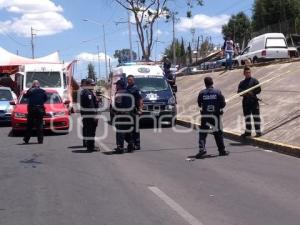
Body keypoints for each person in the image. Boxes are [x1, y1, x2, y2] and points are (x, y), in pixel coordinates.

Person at [196, 77, 229, 158]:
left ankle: (202, 149)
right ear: (212, 83)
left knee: (203, 133)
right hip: (215, 116)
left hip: (205, 116)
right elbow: (223, 104)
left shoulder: (201, 93)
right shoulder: (217, 92)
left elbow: (199, 104)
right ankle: (222, 150)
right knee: (218, 134)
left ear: (205, 83)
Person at [238, 66, 262, 138]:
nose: (248, 74)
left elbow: (259, 90)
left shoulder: (254, 81)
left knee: (256, 117)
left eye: (249, 72)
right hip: (246, 102)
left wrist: (252, 92)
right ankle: (248, 132)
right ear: (244, 74)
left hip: (254, 101)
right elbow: (239, 92)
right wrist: (245, 93)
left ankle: (258, 132)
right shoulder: (242, 83)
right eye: (247, 73)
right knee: (247, 118)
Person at [23, 80, 47, 144]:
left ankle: (26, 139)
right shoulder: (43, 91)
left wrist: (24, 92)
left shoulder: (30, 90)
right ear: (38, 84)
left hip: (32, 109)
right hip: (40, 109)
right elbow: (45, 99)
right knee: (40, 125)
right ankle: (40, 140)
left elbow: (25, 96)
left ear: (33, 84)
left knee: (30, 124)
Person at [113, 79, 134, 154]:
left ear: (120, 85)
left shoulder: (119, 93)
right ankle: (131, 145)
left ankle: (120, 147)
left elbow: (117, 105)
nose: (116, 86)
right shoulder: (129, 92)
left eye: (117, 85)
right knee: (128, 130)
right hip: (130, 114)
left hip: (122, 114)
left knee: (120, 131)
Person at [80, 78, 100, 152]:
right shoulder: (88, 93)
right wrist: (94, 116)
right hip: (89, 116)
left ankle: (91, 146)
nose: (93, 86)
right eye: (92, 85)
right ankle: (90, 147)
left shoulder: (85, 92)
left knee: (89, 131)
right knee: (90, 132)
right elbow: (90, 106)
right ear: (88, 84)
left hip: (86, 115)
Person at [126, 75, 143, 150]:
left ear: (133, 80)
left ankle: (137, 144)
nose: (129, 81)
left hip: (135, 110)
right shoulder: (127, 88)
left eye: (130, 80)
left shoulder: (136, 88)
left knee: (135, 128)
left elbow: (140, 99)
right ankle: (131, 143)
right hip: (128, 111)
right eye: (128, 79)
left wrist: (140, 109)